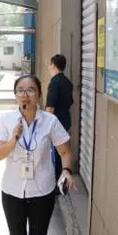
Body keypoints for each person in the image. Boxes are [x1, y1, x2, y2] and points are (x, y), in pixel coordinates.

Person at [0, 74, 76, 235]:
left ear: (39, 94)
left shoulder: (50, 121)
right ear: (15, 95)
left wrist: (66, 171)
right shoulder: (6, 120)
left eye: (30, 90)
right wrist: (13, 138)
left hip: (42, 190)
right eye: (20, 90)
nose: (25, 95)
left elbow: (65, 151)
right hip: (12, 190)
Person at [45, 54, 74, 188]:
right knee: (63, 151)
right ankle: (62, 178)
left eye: (50, 65)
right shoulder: (67, 82)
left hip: (56, 123)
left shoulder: (54, 83)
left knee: (55, 154)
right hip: (65, 121)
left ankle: (56, 182)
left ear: (53, 65)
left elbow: (50, 107)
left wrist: (45, 125)